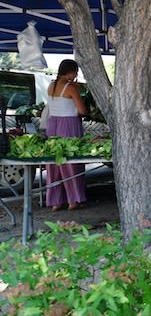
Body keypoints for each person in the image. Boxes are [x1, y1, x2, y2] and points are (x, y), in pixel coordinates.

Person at [46, 59, 87, 211]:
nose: (76, 74)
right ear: (70, 72)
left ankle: (56, 201)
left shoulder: (51, 85)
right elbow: (82, 110)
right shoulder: (71, 88)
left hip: (53, 124)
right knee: (71, 163)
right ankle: (73, 200)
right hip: (68, 124)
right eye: (75, 71)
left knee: (54, 164)